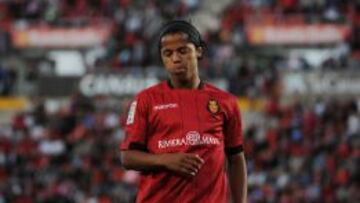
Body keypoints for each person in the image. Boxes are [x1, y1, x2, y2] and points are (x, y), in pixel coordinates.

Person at [120, 20, 247, 203]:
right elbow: (127, 157)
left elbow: (236, 159)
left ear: (199, 51)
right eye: (168, 53)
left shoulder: (226, 102)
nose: (176, 59)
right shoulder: (145, 100)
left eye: (183, 50)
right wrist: (165, 160)